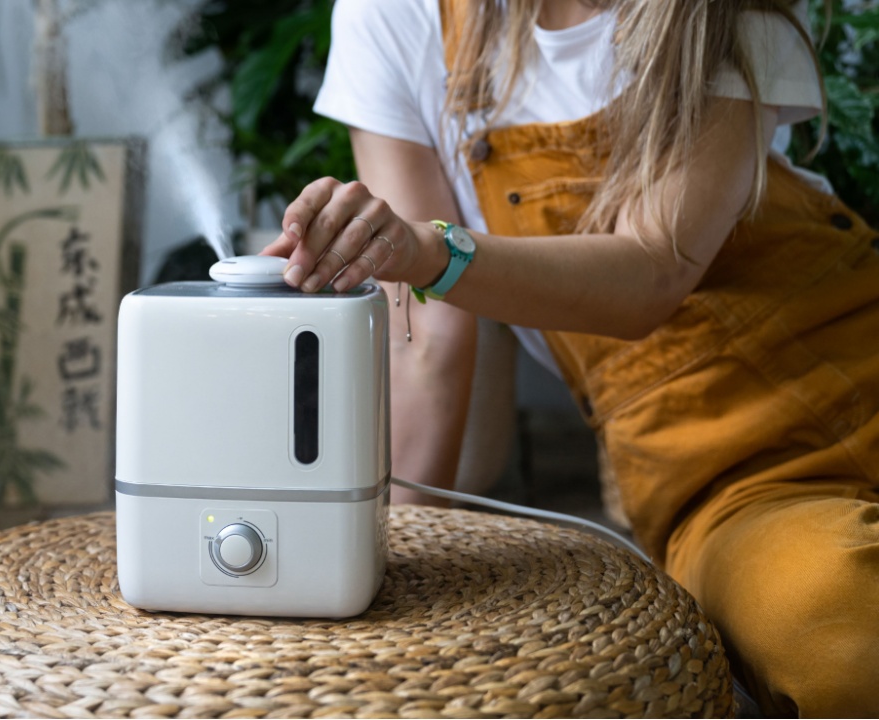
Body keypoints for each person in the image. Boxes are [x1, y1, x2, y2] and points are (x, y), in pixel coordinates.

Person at [260, 0, 879, 715]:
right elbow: (426, 337)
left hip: (854, 341)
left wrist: (433, 251)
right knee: (841, 640)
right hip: (735, 486)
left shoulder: (716, 12)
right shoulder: (393, 17)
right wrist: (373, 571)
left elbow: (652, 271)